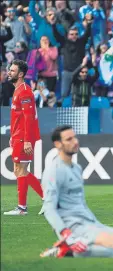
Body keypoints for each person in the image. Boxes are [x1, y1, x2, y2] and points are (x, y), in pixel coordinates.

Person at [40, 125, 113, 258]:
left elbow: (80, 202)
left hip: (90, 222)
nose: (75, 142)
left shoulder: (77, 168)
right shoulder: (54, 170)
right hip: (74, 227)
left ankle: (72, 249)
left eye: (75, 137)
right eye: (69, 139)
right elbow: (49, 209)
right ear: (58, 144)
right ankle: (66, 250)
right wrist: (65, 233)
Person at [3, 60, 43, 216]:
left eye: (12, 71)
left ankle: (22, 208)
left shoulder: (25, 91)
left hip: (24, 137)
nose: (9, 73)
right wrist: (13, 136)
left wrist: (27, 140)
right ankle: (40, 201)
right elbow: (18, 118)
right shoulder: (18, 90)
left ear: (20, 74)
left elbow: (28, 118)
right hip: (18, 136)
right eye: (9, 70)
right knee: (18, 169)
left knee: (21, 169)